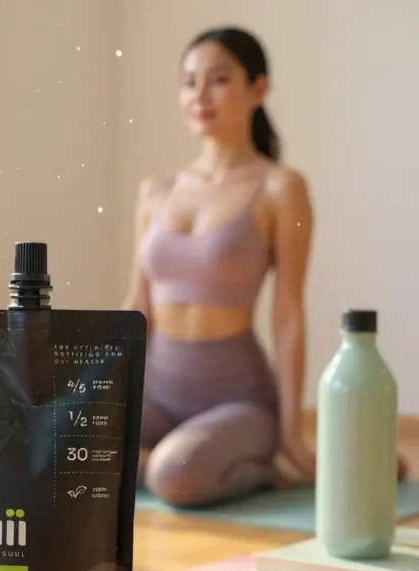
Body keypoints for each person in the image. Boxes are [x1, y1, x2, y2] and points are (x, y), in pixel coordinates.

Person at [123, 26, 406, 507]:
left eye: (218, 79)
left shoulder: (281, 187)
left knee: (174, 477)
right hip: (157, 390)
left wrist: (292, 433)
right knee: (65, 442)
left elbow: (288, 315)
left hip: (238, 399)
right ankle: (170, 457)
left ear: (259, 88)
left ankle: (275, 462)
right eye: (189, 81)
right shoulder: (155, 189)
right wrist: (104, 393)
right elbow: (136, 306)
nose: (200, 95)